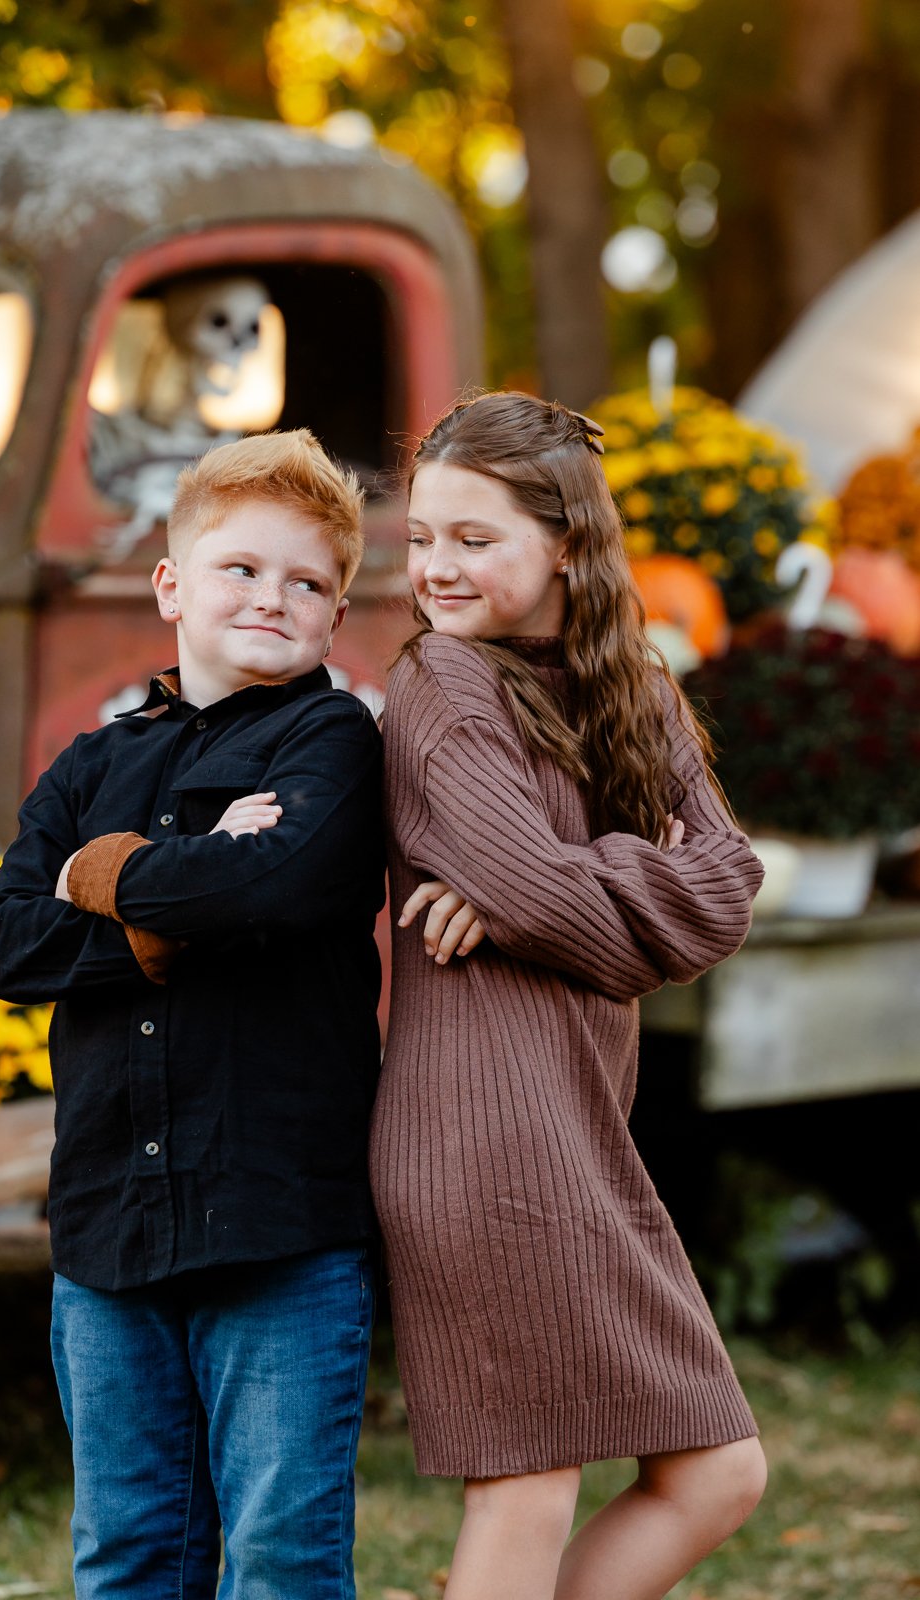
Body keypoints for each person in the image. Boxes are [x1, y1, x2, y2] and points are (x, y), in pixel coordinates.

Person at [370, 392, 768, 1600]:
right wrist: (534, 892)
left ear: (565, 543)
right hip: (476, 1133)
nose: (434, 567)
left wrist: (555, 890)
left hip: (578, 1124)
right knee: (530, 1482)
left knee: (715, 1473)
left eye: (471, 539)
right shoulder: (444, 683)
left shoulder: (630, 688)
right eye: (422, 536)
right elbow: (535, 883)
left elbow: (728, 888)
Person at [0, 429, 385, 1600]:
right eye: (242, 569)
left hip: (276, 1220)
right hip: (106, 1224)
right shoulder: (89, 765)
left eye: (308, 583)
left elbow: (277, 882)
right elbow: (7, 943)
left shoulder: (332, 741)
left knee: (279, 1559)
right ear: (172, 586)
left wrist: (95, 878)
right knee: (128, 1557)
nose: (273, 598)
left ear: (335, 611)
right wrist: (187, 870)